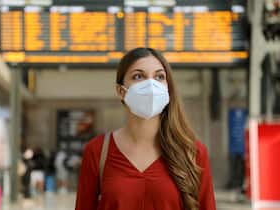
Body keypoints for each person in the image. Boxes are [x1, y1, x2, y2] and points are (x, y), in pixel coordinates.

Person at [75, 48, 216, 210]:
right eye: (138, 76)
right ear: (121, 91)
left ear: (168, 89)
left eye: (159, 77)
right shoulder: (97, 152)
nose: (151, 84)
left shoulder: (193, 152)